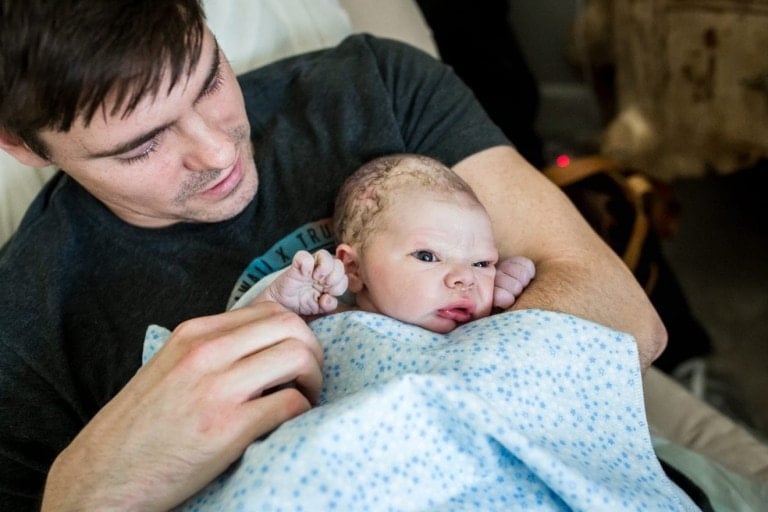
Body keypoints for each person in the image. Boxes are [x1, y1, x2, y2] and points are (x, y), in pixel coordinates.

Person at [0, 1, 666, 510]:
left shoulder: (376, 86)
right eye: (141, 145)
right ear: (23, 145)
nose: (218, 151)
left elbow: (626, 320)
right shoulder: (24, 325)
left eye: (207, 82)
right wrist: (87, 491)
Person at [253, 154, 536, 332]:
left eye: (482, 263)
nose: (466, 278)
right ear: (353, 268)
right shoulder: (326, 317)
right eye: (427, 256)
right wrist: (279, 305)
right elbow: (243, 342)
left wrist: (509, 287)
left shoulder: (475, 330)